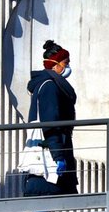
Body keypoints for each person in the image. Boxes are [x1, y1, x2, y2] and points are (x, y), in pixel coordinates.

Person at [24, 39, 78, 196]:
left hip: (51, 151)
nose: (67, 67)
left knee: (48, 200)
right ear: (54, 65)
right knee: (50, 197)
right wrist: (59, 156)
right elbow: (50, 123)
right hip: (51, 155)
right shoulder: (50, 86)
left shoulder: (49, 84)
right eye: (65, 63)